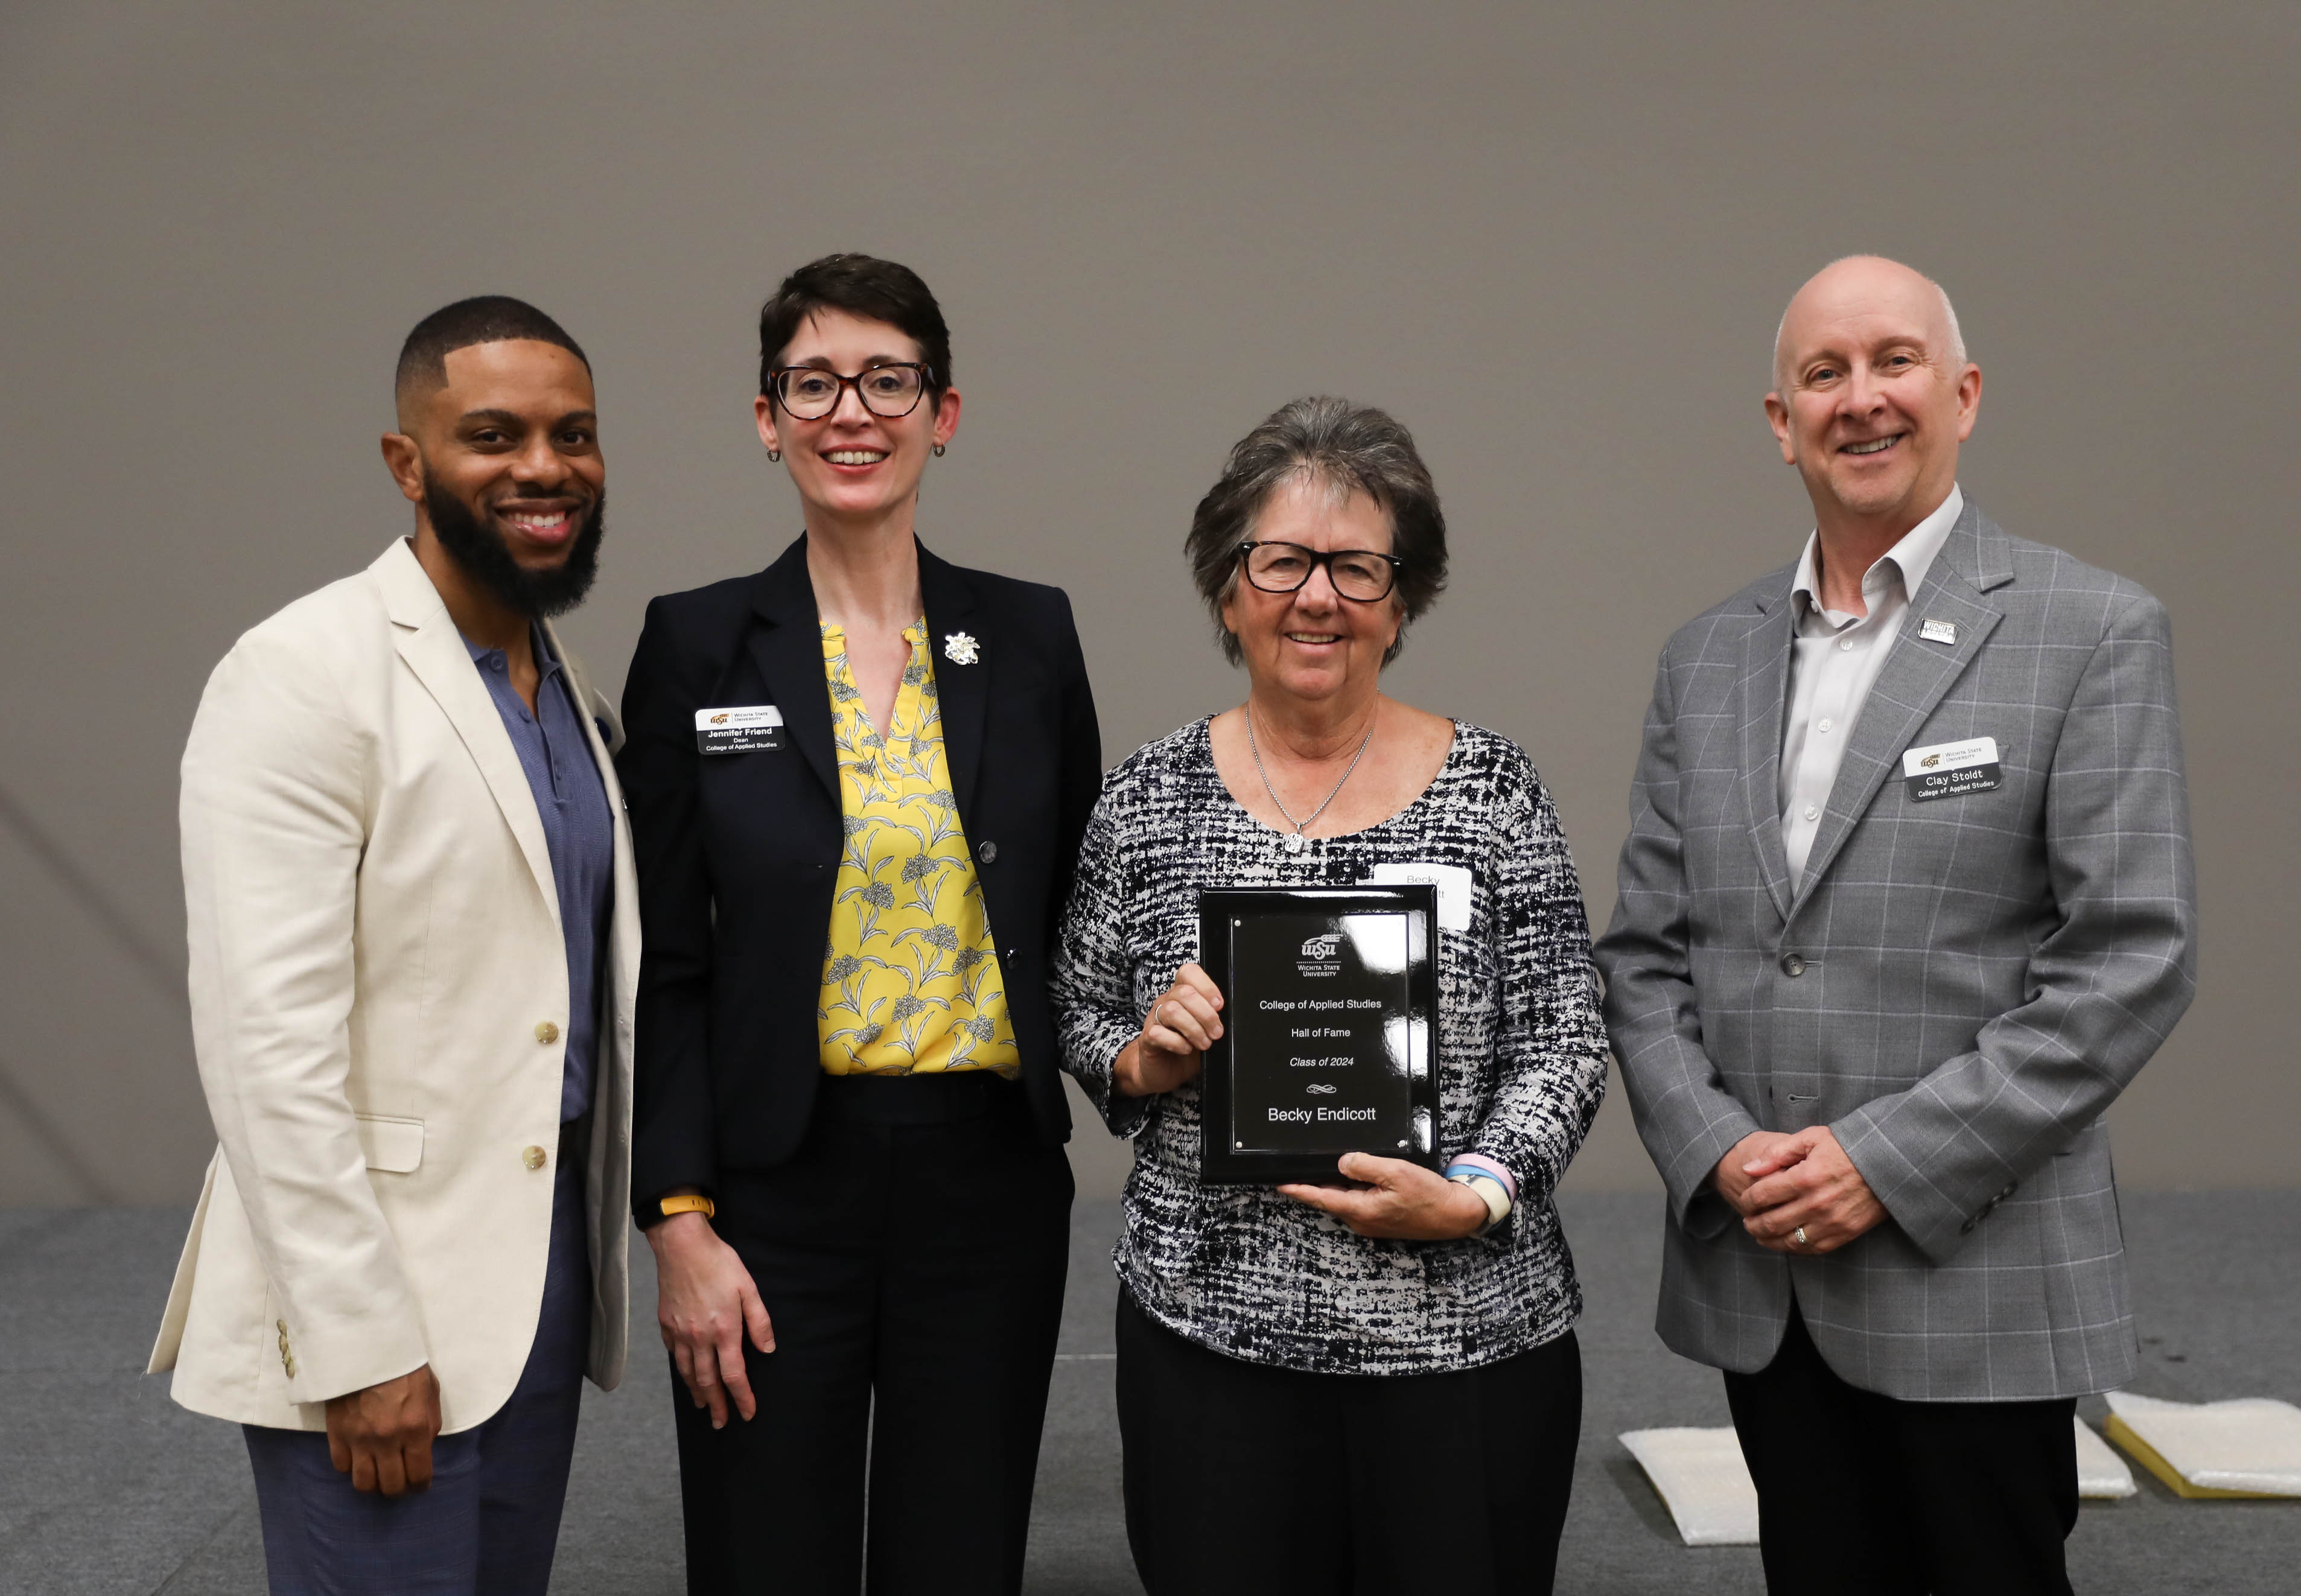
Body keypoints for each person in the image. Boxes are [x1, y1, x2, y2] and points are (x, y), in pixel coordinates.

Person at [1597, 256, 2197, 1595]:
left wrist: (1882, 1162)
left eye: (1894, 362)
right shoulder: (1706, 659)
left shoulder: (2088, 631)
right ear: (1781, 421)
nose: (1860, 399)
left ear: (1964, 395)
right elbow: (1642, 958)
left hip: (1971, 1276)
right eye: (1824, 374)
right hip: (1766, 1276)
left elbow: (2130, 959)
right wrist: (1716, 1149)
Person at [1049, 396, 1607, 1596]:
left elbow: (1565, 1038)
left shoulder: (1494, 789)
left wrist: (1475, 1192)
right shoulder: (1145, 799)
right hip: (1210, 1350)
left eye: (1358, 568)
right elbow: (1079, 1011)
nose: (1318, 597)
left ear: (1401, 603)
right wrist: (1142, 1058)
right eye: (1283, 561)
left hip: (1465, 1346)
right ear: (1227, 589)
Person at [617, 252, 1101, 1594]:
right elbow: (665, 962)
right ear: (765, 417)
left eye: (889, 381)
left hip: (986, 1186)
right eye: (814, 383)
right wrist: (675, 1218)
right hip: (772, 1189)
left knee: (960, 1560)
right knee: (765, 1557)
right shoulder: (696, 645)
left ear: (942, 414)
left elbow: (1077, 911)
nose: (852, 413)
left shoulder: (1031, 636)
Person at [147, 296, 638, 1594]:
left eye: (573, 434)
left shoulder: (570, 690)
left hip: (535, 1271)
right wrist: (357, 1341)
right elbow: (265, 1046)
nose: (544, 467)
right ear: (406, 464)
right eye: (494, 435)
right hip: (373, 1296)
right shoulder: (301, 673)